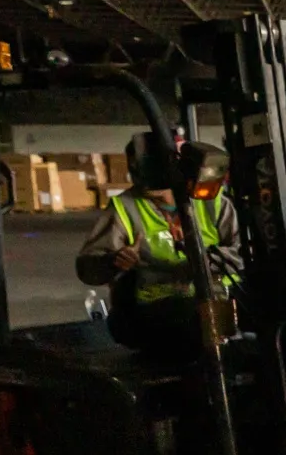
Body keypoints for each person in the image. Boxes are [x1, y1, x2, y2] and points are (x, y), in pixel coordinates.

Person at [76, 131, 242, 351]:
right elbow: (87, 267)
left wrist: (203, 259)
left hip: (218, 302)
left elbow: (242, 254)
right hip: (155, 312)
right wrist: (114, 261)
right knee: (193, 320)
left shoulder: (211, 201)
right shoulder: (125, 207)